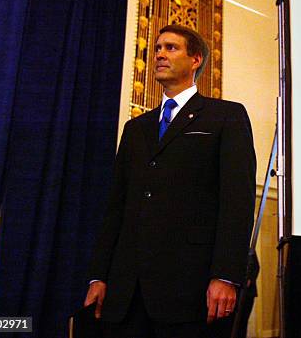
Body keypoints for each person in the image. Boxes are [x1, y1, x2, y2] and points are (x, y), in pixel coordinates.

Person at [84, 24, 256, 338]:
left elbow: (237, 202)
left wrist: (225, 275)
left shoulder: (225, 117)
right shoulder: (136, 129)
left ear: (196, 60)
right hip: (128, 291)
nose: (160, 54)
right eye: (157, 49)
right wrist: (99, 275)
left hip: (189, 288)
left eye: (171, 48)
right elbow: (116, 208)